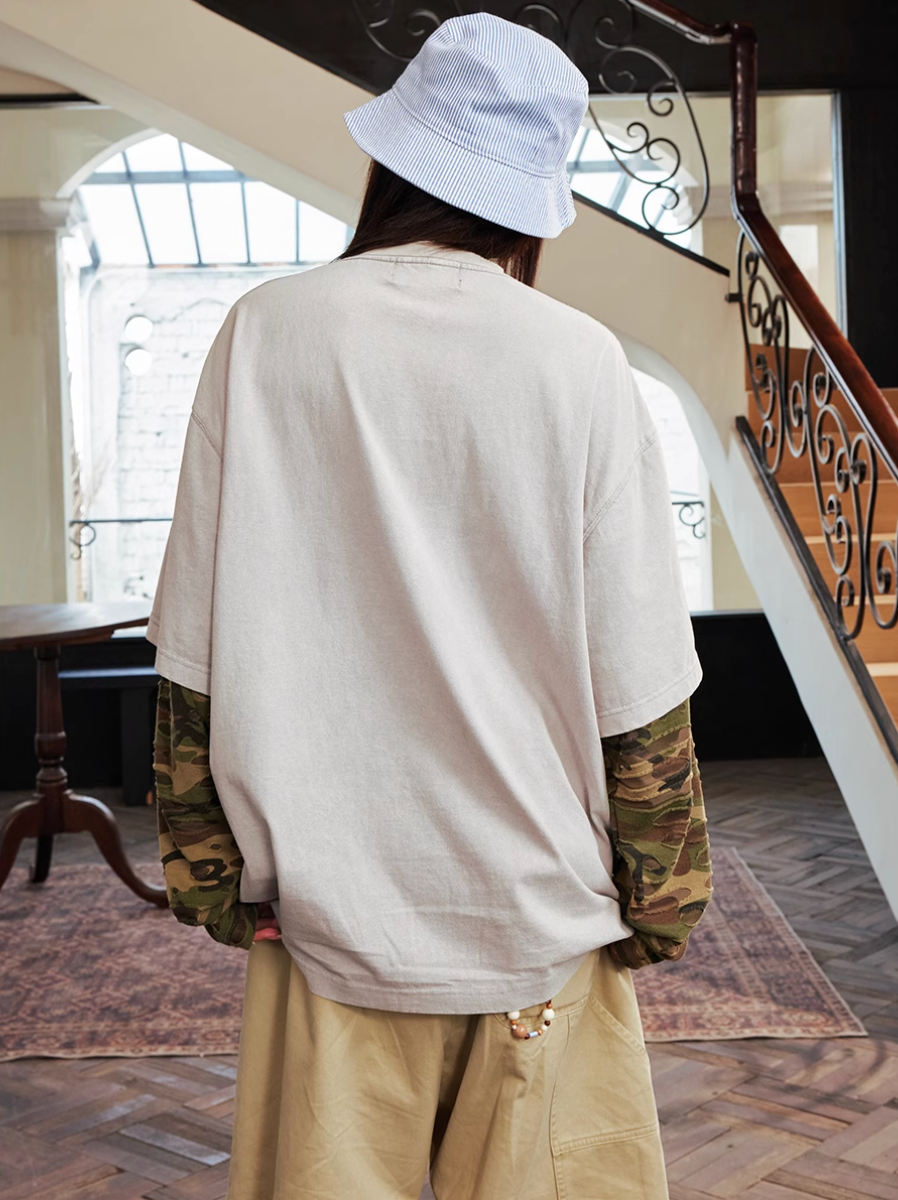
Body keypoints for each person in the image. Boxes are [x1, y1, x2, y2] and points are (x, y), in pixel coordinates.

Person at [149, 13, 712, 1200]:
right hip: (540, 930)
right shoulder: (579, 360)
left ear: (393, 161)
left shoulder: (265, 335)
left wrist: (206, 871)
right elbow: (637, 669)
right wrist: (662, 893)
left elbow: (191, 644)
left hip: (328, 923)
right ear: (530, 201)